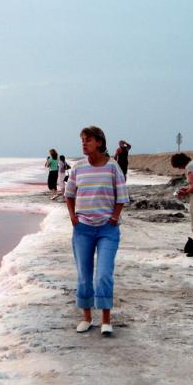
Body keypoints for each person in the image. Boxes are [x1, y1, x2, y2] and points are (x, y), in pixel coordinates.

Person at [65, 126, 129, 336]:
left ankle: (106, 320)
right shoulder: (78, 167)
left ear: (100, 142)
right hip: (82, 229)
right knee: (84, 276)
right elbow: (69, 194)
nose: (84, 144)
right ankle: (86, 318)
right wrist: (73, 217)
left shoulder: (112, 167)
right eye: (82, 140)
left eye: (88, 140)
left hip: (107, 230)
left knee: (103, 275)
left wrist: (114, 218)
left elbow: (122, 196)